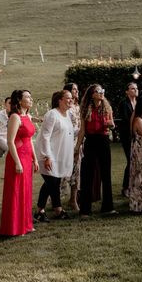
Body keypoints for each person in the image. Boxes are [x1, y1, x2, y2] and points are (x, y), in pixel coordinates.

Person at [0, 90, 39, 236]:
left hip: (28, 156)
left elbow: (30, 140)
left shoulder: (27, 116)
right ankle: (15, 227)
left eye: (30, 96)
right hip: (18, 157)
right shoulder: (15, 117)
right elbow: (10, 141)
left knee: (26, 191)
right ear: (19, 101)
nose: (30, 99)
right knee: (17, 191)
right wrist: (17, 163)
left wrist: (34, 158)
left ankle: (26, 224)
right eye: (27, 97)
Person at [75, 84, 116, 218]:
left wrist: (111, 124)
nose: (101, 93)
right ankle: (85, 209)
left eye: (102, 91)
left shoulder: (107, 108)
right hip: (91, 141)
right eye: (98, 91)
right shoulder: (85, 109)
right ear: (92, 94)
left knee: (106, 174)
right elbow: (82, 131)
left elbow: (112, 125)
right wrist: (77, 147)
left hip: (103, 140)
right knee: (87, 175)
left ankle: (108, 207)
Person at [34, 90, 75, 222]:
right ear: (59, 100)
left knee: (51, 183)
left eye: (71, 98)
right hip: (48, 154)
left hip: (60, 154)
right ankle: (57, 209)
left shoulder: (67, 114)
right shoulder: (52, 114)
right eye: (68, 98)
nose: (71, 100)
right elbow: (45, 137)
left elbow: (69, 132)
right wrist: (47, 156)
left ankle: (40, 211)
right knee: (52, 182)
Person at [118, 82, 138, 198]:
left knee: (135, 160)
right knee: (130, 160)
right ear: (127, 91)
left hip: (137, 135)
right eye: (132, 88)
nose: (135, 90)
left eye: (136, 88)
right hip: (127, 136)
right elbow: (125, 120)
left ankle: (133, 185)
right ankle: (125, 187)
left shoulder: (139, 102)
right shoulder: (124, 103)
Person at [63, 83, 81, 211]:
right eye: (74, 89)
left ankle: (73, 199)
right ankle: (56, 198)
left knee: (77, 171)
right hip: (68, 141)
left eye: (77, 89)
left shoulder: (78, 107)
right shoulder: (66, 109)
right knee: (63, 172)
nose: (76, 91)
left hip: (78, 141)